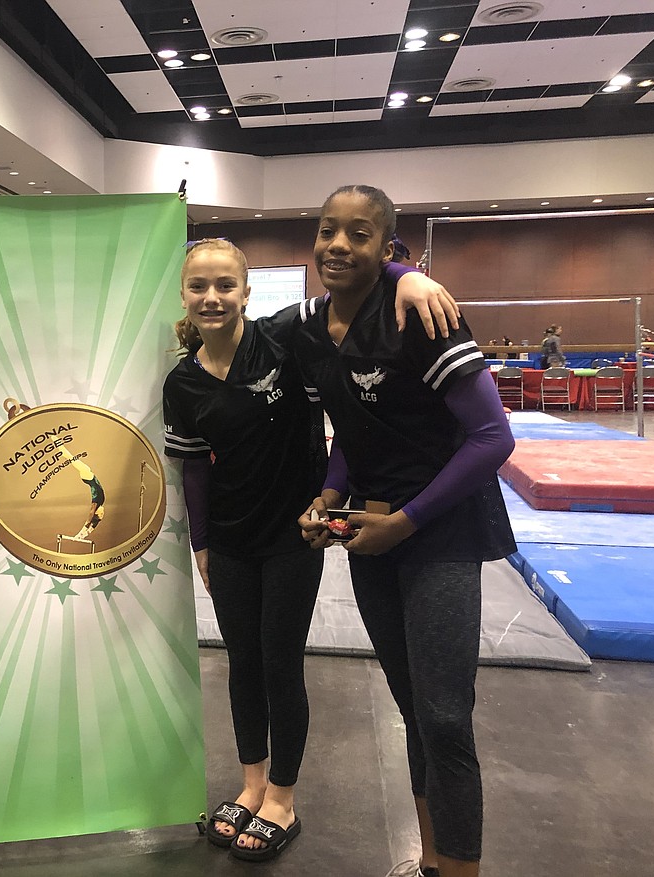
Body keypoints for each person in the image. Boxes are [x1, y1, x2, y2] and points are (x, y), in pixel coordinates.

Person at [162, 238, 460, 863]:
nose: (212, 297)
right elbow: (193, 471)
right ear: (184, 297)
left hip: (294, 534)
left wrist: (405, 274)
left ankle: (282, 796)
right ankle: (249, 784)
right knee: (242, 662)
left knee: (279, 662)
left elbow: (353, 287)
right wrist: (203, 542)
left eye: (225, 285)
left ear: (247, 291)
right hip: (232, 538)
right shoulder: (183, 382)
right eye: (199, 287)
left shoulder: (284, 339)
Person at [297, 184, 516, 877]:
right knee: (412, 706)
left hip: (442, 528)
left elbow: (491, 438)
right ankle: (430, 860)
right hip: (372, 529)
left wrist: (407, 521)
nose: (338, 244)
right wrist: (329, 494)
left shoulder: (423, 315)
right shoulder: (310, 326)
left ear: (387, 247)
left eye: (358, 234)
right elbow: (351, 431)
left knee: (446, 717)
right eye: (328, 230)